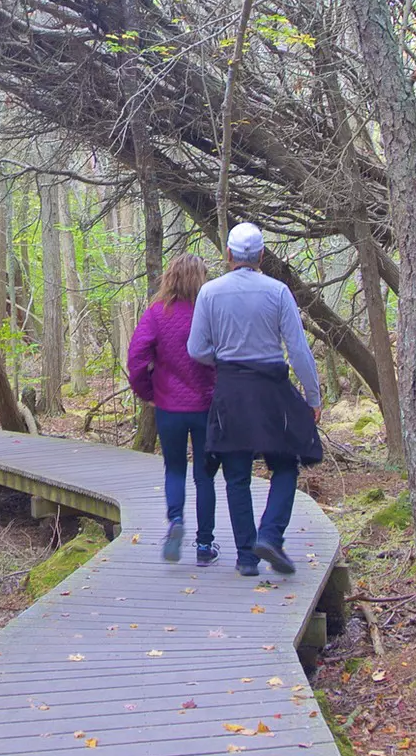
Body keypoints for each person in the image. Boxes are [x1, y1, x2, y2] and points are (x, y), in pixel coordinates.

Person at [187, 221, 323, 577]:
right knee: (285, 465)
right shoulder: (278, 292)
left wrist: (226, 358)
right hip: (272, 390)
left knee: (236, 475)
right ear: (262, 255)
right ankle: (271, 534)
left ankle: (247, 557)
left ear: (228, 254)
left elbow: (196, 349)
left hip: (231, 389)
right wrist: (313, 397)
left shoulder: (209, 293)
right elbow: (298, 349)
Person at [127, 254, 220, 565]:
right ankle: (205, 546)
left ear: (170, 277)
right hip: (207, 406)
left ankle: (176, 521)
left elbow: (137, 357)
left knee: (175, 468)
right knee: (205, 476)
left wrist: (147, 392)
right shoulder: (211, 312)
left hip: (169, 407)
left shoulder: (157, 312)